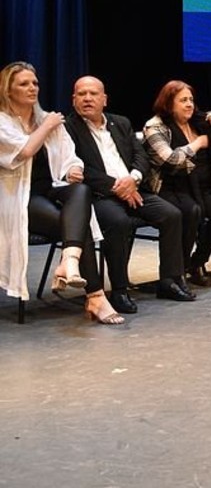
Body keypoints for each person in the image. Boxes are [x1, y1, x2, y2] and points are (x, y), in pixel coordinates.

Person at [0, 62, 122, 324]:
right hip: (18, 198)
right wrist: (47, 126)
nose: (32, 88)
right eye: (24, 84)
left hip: (51, 189)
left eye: (35, 83)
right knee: (77, 226)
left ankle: (70, 260)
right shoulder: (5, 122)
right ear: (8, 90)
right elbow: (23, 152)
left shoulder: (46, 119)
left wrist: (73, 170)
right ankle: (95, 296)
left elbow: (70, 157)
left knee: (81, 189)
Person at [66, 76, 193, 311]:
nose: (87, 98)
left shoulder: (121, 122)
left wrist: (133, 179)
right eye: (81, 94)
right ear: (73, 99)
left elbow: (141, 156)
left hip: (133, 188)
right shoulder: (67, 128)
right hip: (99, 196)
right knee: (119, 222)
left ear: (104, 99)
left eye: (93, 94)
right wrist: (117, 186)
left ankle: (168, 280)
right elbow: (80, 168)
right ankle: (119, 290)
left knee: (172, 214)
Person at [143, 80, 211, 287]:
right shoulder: (155, 126)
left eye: (191, 100)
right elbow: (171, 160)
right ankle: (178, 269)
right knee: (191, 211)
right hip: (171, 185)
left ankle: (196, 262)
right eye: (183, 100)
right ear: (169, 104)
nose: (189, 104)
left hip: (203, 186)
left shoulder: (200, 123)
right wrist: (197, 143)